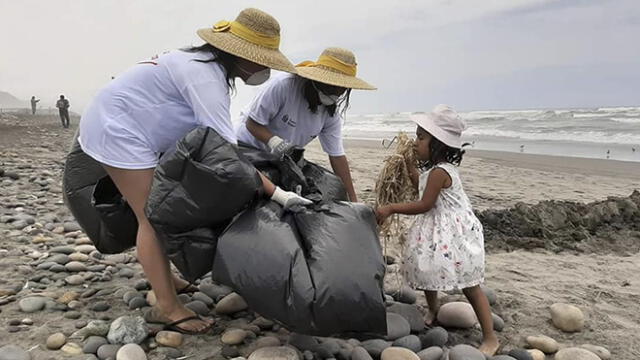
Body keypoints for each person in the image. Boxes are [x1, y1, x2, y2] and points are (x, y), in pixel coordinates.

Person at [75, 8, 310, 335]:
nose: (267, 67)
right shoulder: (206, 78)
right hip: (118, 130)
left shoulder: (204, 65)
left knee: (153, 205)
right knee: (152, 217)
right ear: (242, 55)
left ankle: (163, 277)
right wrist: (278, 194)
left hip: (135, 125)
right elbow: (228, 157)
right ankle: (167, 307)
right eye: (265, 59)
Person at [375, 105, 499, 355]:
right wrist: (409, 164)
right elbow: (418, 184)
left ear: (439, 144)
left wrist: (390, 208)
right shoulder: (432, 171)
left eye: (421, 138)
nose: (416, 143)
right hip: (438, 230)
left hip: (453, 233)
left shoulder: (440, 172)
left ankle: (490, 338)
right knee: (427, 269)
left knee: (470, 285)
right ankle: (433, 310)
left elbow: (424, 204)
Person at [236, 47, 376, 202]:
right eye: (330, 87)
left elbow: (337, 156)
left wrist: (353, 201)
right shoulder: (284, 85)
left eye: (341, 89)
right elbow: (252, 124)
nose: (335, 93)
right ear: (317, 79)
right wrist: (275, 142)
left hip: (280, 159)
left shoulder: (330, 113)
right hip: (246, 147)